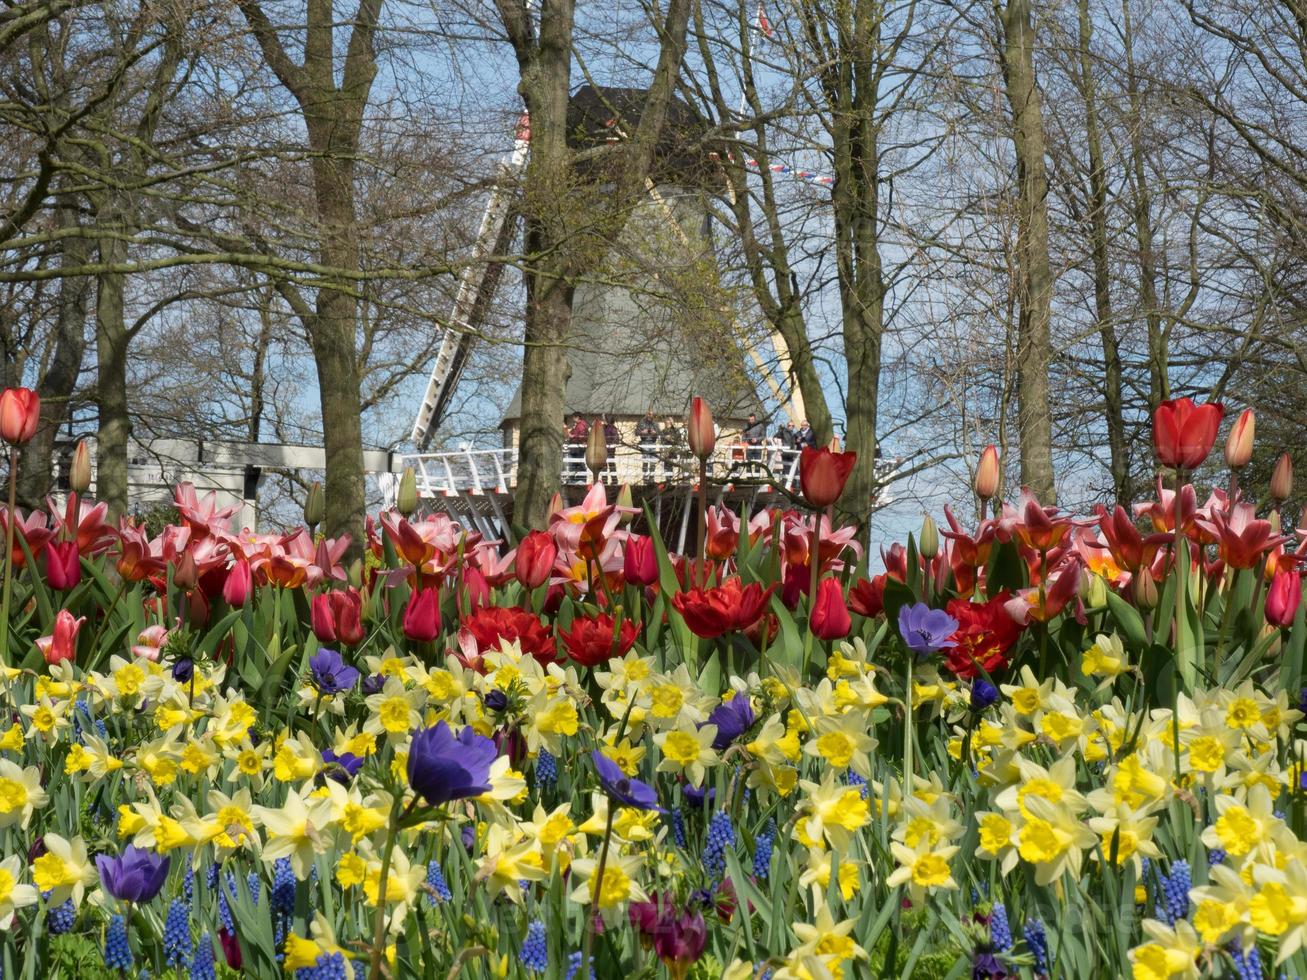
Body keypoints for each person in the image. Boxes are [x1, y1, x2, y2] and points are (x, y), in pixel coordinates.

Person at [635, 409, 659, 483]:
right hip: (644, 442)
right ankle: (645, 478)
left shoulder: (655, 423)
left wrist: (655, 432)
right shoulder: (642, 422)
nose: (650, 415)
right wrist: (642, 432)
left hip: (652, 442)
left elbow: (660, 433)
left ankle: (651, 477)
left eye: (651, 414)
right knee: (645, 461)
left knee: (653, 461)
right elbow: (636, 432)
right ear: (646, 414)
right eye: (648, 414)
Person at [566, 414, 588, 481]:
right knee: (574, 463)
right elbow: (573, 433)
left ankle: (582, 479)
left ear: (578, 417)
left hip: (578, 447)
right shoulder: (577, 425)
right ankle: (574, 479)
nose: (573, 419)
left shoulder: (581, 425)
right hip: (575, 447)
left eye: (574, 418)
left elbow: (582, 436)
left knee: (579, 462)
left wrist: (573, 436)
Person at [602, 415, 620, 485]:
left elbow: (616, 440)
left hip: (610, 451)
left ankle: (614, 481)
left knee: (611, 465)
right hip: (603, 450)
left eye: (605, 420)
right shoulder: (603, 428)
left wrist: (609, 445)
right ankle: (604, 481)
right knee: (604, 466)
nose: (603, 421)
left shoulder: (612, 428)